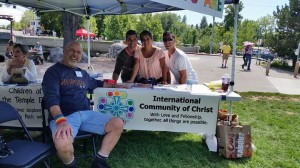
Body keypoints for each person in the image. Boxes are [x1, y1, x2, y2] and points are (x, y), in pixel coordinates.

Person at [42, 41, 124, 168]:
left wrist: (116, 85)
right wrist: (60, 120)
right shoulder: (53, 72)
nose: (75, 55)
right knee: (62, 143)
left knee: (118, 124)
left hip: (86, 114)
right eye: (72, 51)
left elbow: (97, 84)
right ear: (64, 51)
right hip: (65, 117)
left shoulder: (83, 73)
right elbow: (51, 98)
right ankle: (71, 164)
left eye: (79, 52)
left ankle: (100, 161)